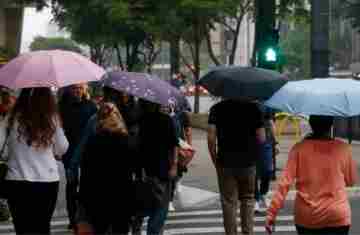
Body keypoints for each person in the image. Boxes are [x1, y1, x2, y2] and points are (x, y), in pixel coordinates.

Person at [266, 115, 358, 235]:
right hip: (337, 215)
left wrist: (272, 213)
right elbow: (351, 181)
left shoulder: (299, 149)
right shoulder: (342, 148)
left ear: (311, 124)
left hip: (307, 217)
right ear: (331, 125)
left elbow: (284, 183)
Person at [1, 88, 69, 235]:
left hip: (17, 180)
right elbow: (62, 147)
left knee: (22, 228)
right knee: (42, 226)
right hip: (47, 180)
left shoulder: (11, 117)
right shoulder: (52, 118)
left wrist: (11, 154)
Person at [207, 99, 266, 235]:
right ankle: (248, 232)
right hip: (248, 163)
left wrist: (214, 159)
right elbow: (262, 138)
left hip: (225, 163)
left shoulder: (217, 109)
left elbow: (211, 138)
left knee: (229, 202)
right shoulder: (254, 109)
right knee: (248, 199)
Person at [78, 102, 133, 234]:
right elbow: (133, 170)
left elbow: (86, 174)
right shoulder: (127, 141)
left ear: (98, 120)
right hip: (121, 197)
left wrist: (83, 201)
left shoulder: (92, 142)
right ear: (119, 118)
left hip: (97, 197)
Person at [58, 83, 97, 230]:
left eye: (80, 88)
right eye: (74, 88)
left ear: (85, 89)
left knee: (87, 185)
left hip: (87, 151)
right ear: (69, 89)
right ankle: (72, 218)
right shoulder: (62, 106)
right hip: (69, 151)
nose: (77, 91)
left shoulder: (91, 106)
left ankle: (84, 218)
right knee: (71, 185)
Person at [137, 99, 178, 235]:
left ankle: (139, 228)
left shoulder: (140, 121)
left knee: (145, 206)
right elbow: (174, 145)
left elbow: (137, 146)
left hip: (144, 170)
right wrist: (174, 166)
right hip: (162, 169)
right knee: (160, 208)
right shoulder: (167, 120)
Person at [255, 106, 277, 212]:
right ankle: (255, 198)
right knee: (253, 171)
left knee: (267, 170)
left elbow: (271, 122)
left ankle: (263, 193)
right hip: (250, 142)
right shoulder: (246, 102)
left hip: (266, 142)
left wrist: (276, 142)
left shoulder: (267, 104)